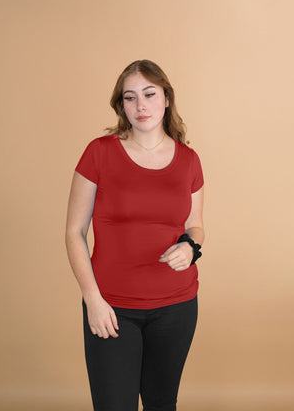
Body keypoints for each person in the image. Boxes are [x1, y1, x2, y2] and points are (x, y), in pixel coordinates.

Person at [65, 59, 205, 411]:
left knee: (161, 404)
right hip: (111, 307)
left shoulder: (189, 159)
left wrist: (190, 248)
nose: (140, 105)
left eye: (149, 94)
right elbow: (74, 232)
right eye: (130, 97)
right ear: (122, 105)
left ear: (167, 98)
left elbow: (196, 226)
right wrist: (93, 300)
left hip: (176, 307)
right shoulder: (99, 152)